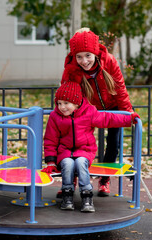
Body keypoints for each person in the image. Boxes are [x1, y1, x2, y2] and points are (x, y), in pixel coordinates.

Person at [42, 72, 140, 212]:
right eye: (59, 103)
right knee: (68, 163)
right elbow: (50, 140)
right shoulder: (55, 116)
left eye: (66, 103)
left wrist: (129, 119)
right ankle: (67, 194)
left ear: (76, 103)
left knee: (81, 163)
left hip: (84, 151)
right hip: (64, 153)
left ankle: (87, 196)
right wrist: (51, 161)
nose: (62, 107)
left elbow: (108, 119)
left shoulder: (89, 112)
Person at [60, 27, 136, 196]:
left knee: (113, 144)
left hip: (113, 106)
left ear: (95, 53)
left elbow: (120, 88)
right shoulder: (72, 68)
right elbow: (67, 94)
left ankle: (104, 180)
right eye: (79, 56)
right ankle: (70, 179)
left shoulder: (109, 61)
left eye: (88, 55)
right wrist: (66, 114)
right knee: (75, 141)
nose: (84, 61)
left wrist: (128, 114)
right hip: (88, 109)